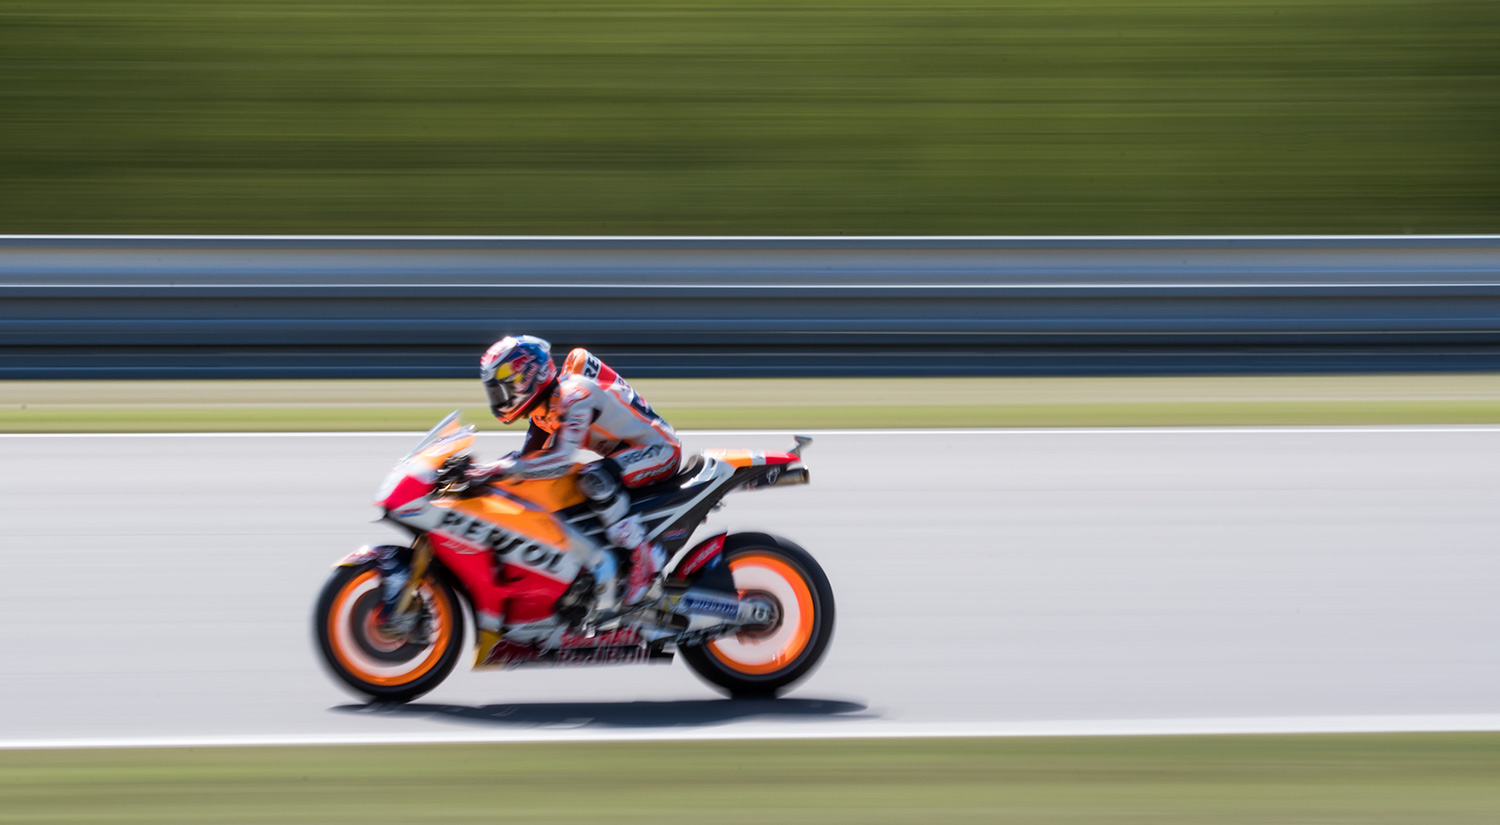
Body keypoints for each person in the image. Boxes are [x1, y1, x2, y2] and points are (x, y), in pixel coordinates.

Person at [468, 335, 681, 608]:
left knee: (593, 478)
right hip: (626, 457)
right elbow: (526, 460)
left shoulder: (574, 394)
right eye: (494, 391)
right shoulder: (542, 410)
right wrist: (479, 473)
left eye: (502, 388)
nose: (499, 397)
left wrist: (501, 469)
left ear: (527, 374)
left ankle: (645, 557)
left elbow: (560, 460)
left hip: (660, 450)